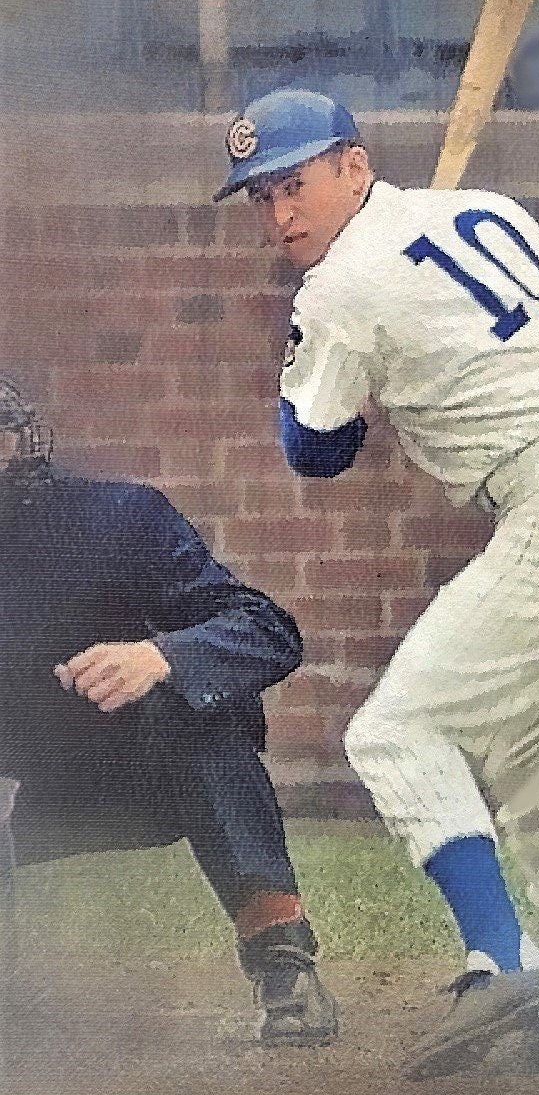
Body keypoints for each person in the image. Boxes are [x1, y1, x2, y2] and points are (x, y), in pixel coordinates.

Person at [213, 87, 539, 1077]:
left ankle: (501, 956)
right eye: (260, 197)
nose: (280, 214)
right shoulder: (481, 208)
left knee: (394, 730)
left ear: (355, 165)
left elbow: (313, 451)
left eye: (297, 182)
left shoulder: (337, 288)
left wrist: (350, 354)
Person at [0, 377, 337, 1048]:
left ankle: (282, 957)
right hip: (13, 800)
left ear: (16, 439)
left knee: (204, 706)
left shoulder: (115, 519)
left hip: (128, 777)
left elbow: (269, 630)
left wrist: (161, 656)